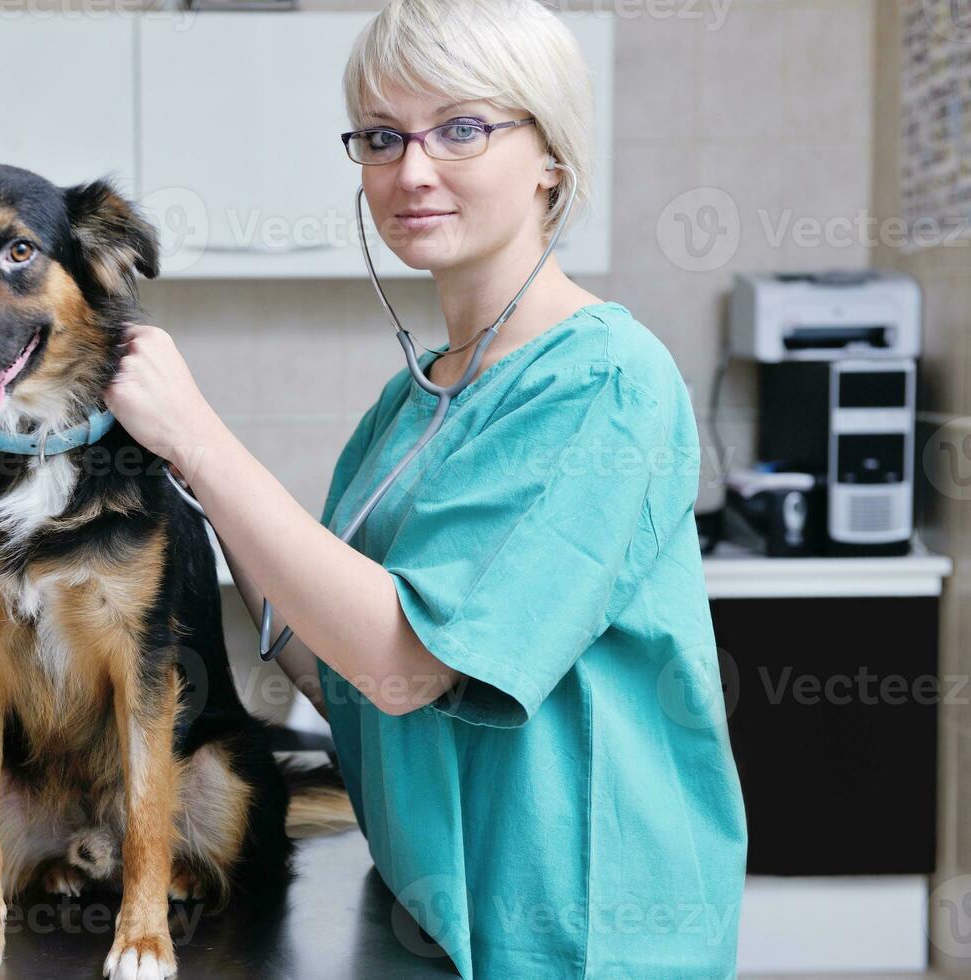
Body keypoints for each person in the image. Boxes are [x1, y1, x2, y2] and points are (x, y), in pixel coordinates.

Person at [102, 0, 747, 976]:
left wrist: (198, 433)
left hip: (582, 926)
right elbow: (328, 658)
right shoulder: (408, 405)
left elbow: (406, 666)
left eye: (461, 127)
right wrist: (176, 463)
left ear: (551, 156)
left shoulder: (603, 379)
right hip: (429, 907)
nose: (410, 170)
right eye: (381, 136)